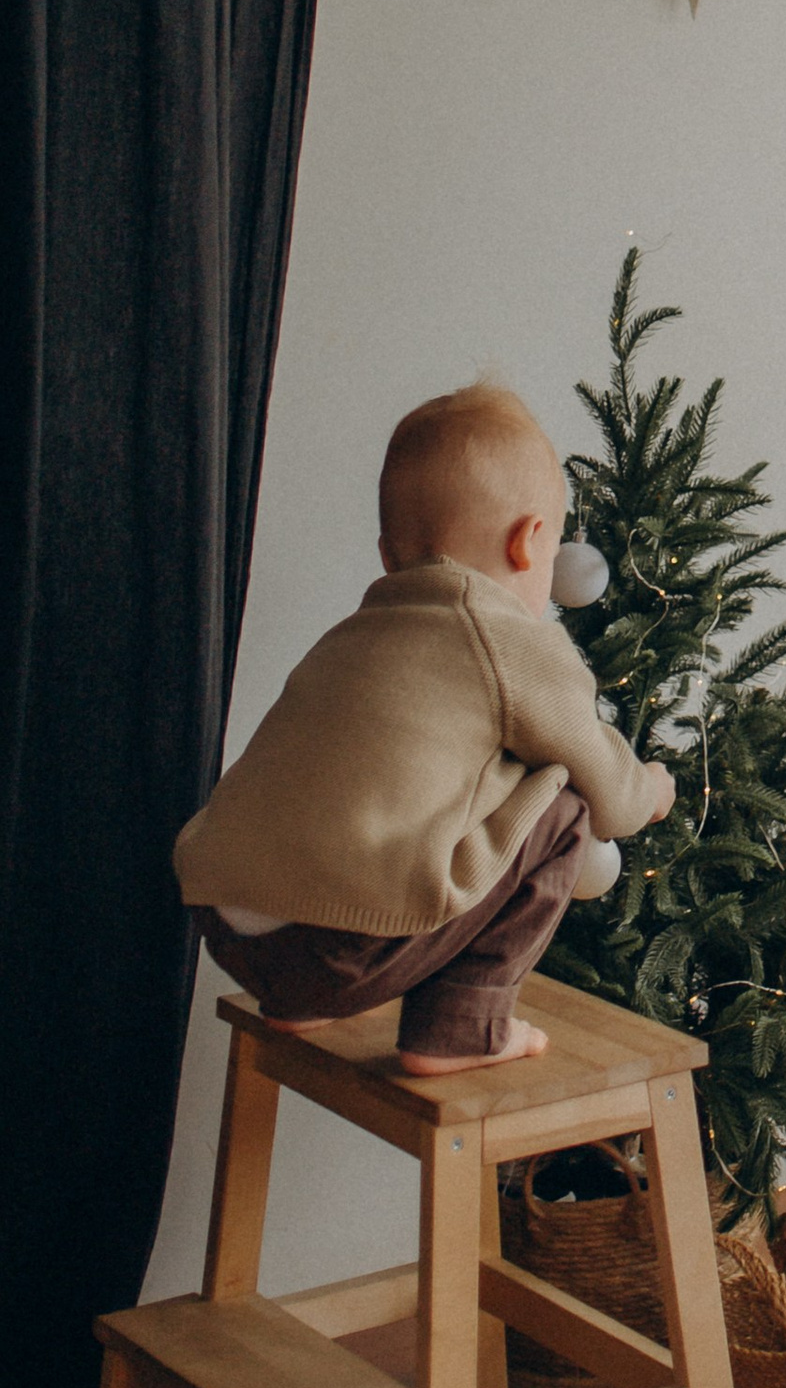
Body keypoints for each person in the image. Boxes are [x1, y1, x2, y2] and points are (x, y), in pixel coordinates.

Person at [176, 383, 675, 1071]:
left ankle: (299, 1003)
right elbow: (611, 796)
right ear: (530, 542)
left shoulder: (350, 636)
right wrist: (650, 786)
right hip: (345, 947)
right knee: (564, 807)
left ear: (388, 553)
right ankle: (460, 1027)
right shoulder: (505, 634)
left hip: (229, 932)